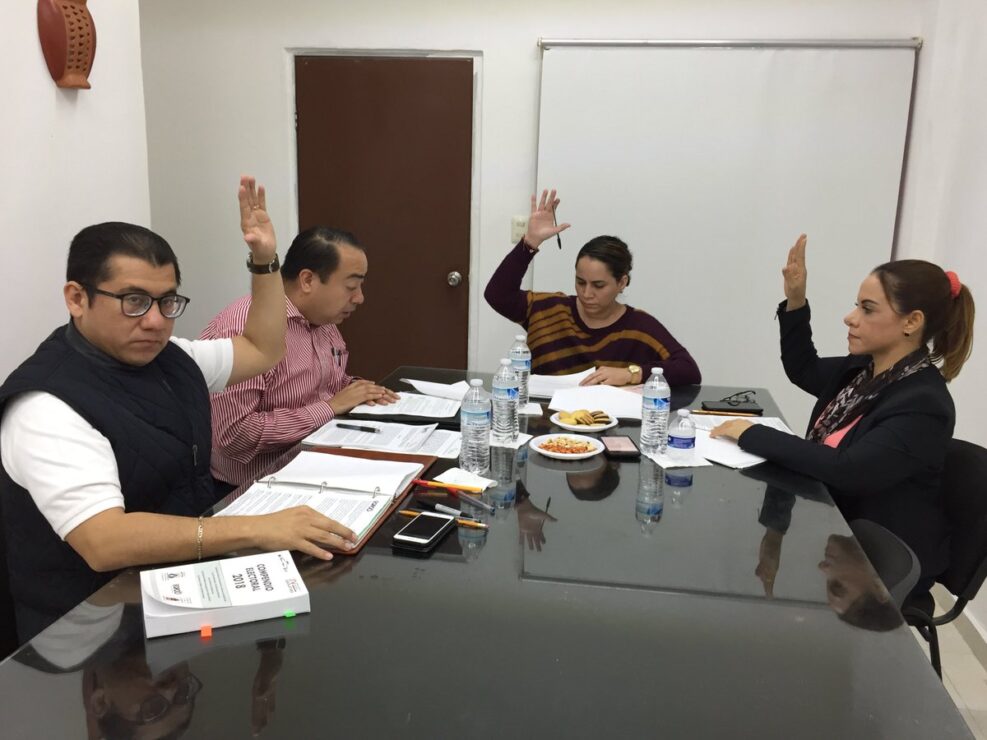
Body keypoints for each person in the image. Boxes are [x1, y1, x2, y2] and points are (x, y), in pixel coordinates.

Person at [0, 177, 358, 643]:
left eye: (167, 301)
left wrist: (265, 261)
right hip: (84, 631)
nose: (155, 320)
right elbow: (104, 541)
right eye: (133, 301)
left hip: (174, 592)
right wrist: (256, 529)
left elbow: (263, 349)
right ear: (77, 298)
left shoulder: (171, 358)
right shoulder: (46, 406)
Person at [711, 234, 976, 591]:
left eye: (868, 309)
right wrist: (795, 299)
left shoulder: (924, 404)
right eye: (856, 306)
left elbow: (849, 470)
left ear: (911, 322)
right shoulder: (864, 372)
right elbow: (803, 368)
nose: (850, 318)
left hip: (882, 560)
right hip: (836, 527)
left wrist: (750, 433)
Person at [201, 226, 398, 490]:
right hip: (254, 488)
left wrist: (360, 391)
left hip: (319, 463)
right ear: (307, 280)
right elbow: (234, 435)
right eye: (351, 286)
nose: (359, 298)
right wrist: (329, 408)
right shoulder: (243, 328)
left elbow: (330, 385)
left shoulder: (323, 319)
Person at [484, 189, 701, 386]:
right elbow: (497, 295)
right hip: (546, 415)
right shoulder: (547, 309)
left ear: (621, 283)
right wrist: (530, 243)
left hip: (607, 417)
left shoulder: (640, 326)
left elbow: (688, 370)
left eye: (598, 285)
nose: (587, 294)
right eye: (580, 282)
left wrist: (631, 374)